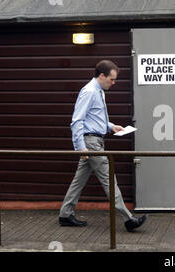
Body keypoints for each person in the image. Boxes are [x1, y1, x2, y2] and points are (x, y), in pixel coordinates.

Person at [59, 60, 147, 232]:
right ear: (101, 76)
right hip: (91, 144)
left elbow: (94, 117)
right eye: (111, 79)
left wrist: (110, 126)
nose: (113, 83)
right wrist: (80, 147)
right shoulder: (90, 92)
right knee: (109, 179)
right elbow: (77, 120)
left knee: (79, 180)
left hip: (94, 141)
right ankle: (128, 220)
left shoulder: (98, 91)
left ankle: (65, 214)